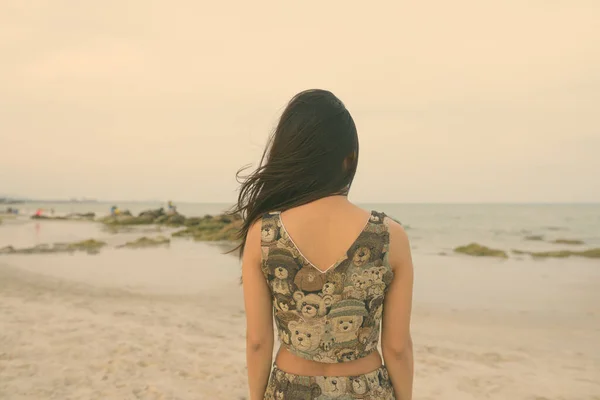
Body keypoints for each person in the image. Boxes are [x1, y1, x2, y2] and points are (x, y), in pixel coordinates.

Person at [231, 89, 414, 399]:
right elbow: (396, 347)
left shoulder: (264, 234)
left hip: (290, 389)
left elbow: (258, 341)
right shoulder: (389, 236)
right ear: (350, 159)